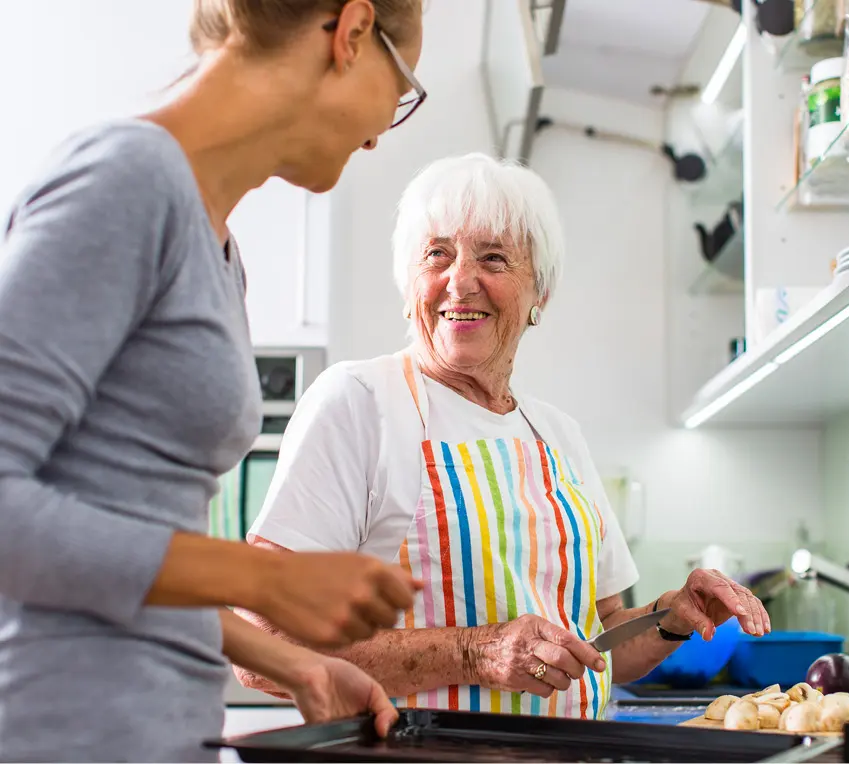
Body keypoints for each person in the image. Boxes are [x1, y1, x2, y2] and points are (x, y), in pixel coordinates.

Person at [0, 0, 427, 760]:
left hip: (159, 730)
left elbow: (128, 550)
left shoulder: (220, 249)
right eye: (400, 92)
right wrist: (264, 580)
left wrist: (292, 660)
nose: (376, 135)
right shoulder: (126, 182)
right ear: (352, 34)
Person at [239, 153, 771, 719]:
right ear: (409, 284)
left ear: (540, 294)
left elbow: (601, 641)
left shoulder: (557, 435)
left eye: (493, 257)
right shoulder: (360, 401)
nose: (460, 281)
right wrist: (474, 652)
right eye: (437, 254)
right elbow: (262, 642)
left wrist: (672, 617)